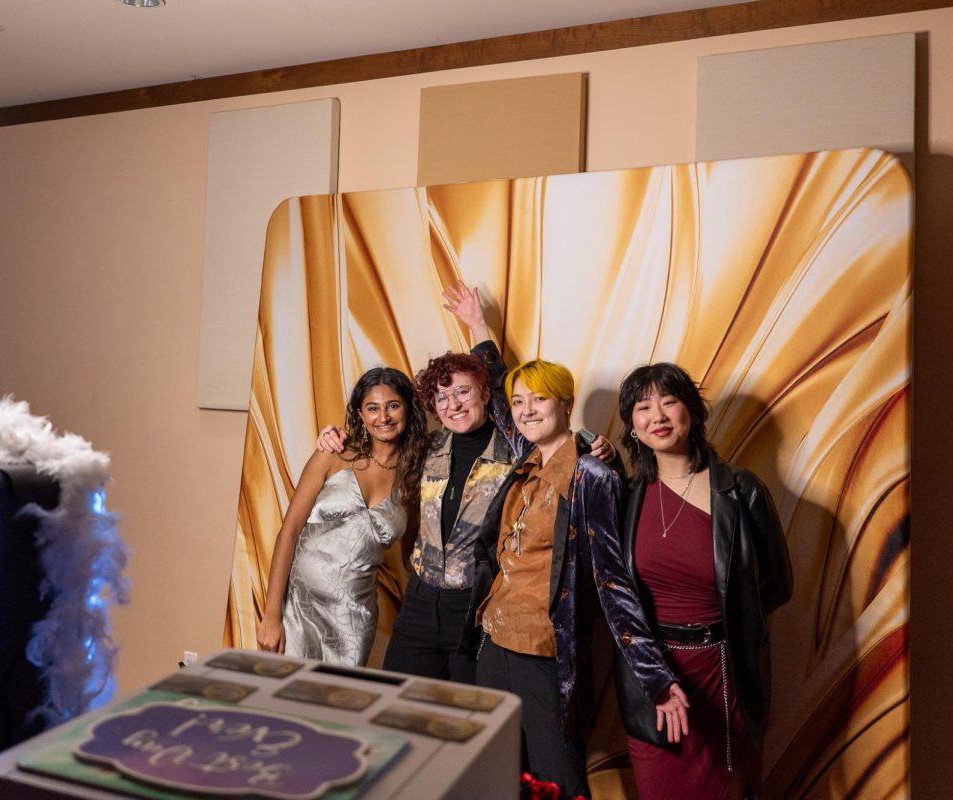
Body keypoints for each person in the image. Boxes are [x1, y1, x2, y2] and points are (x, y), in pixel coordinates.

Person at [317, 284, 618, 684]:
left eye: (462, 392)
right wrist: (334, 439)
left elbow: (553, 433)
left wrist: (593, 444)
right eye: (442, 398)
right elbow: (380, 437)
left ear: (483, 395)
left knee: (467, 720)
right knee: (399, 706)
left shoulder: (515, 445)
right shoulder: (427, 447)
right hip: (421, 602)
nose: (453, 404)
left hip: (476, 606)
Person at [466, 356, 690, 798]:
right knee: (497, 769)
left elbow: (612, 583)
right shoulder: (525, 456)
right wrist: (477, 328)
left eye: (540, 398)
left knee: (557, 780)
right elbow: (496, 393)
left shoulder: (592, 475)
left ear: (566, 404)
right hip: (493, 641)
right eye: (519, 401)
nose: (527, 409)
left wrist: (656, 677)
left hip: (542, 652)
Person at [612, 363, 793, 800]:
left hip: (724, 678)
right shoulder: (625, 497)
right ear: (633, 425)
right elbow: (615, 596)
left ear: (691, 412)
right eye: (643, 406)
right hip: (650, 677)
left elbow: (775, 585)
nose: (657, 415)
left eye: (669, 402)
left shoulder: (740, 490)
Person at [257, 366, 428, 666]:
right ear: (360, 415)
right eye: (372, 408)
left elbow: (409, 556)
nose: (383, 417)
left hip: (353, 618)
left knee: (333, 706)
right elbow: (289, 532)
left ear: (408, 410)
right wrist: (271, 616)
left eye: (393, 406)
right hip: (296, 606)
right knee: (282, 700)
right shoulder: (334, 454)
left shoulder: (415, 478)